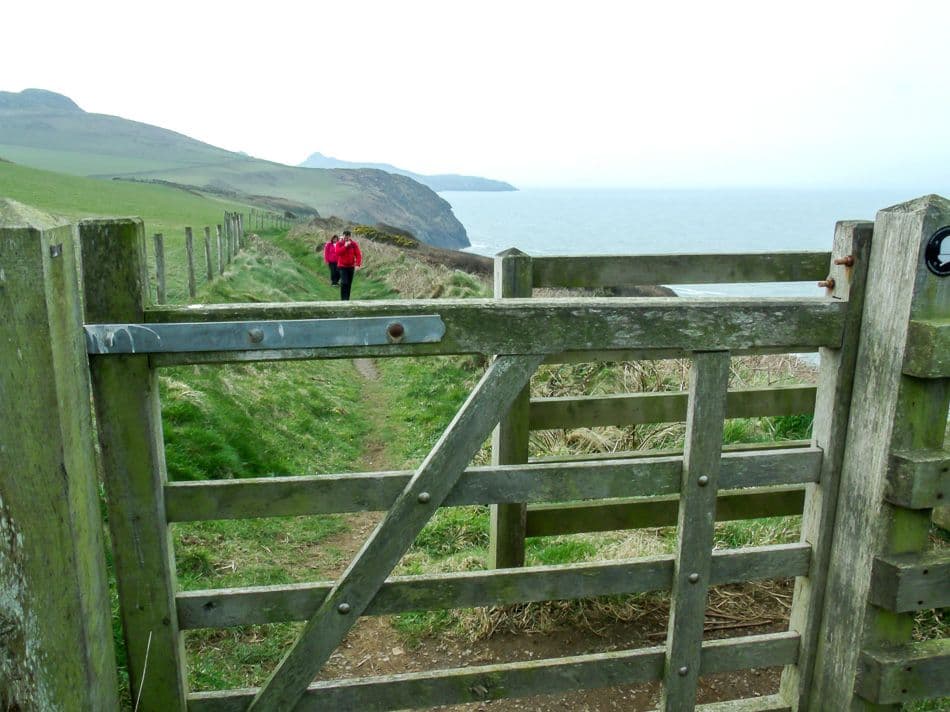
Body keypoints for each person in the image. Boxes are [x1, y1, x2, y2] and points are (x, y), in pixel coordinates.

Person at [335, 230, 362, 301]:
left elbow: (358, 254)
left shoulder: (354, 244)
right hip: (342, 266)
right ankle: (343, 299)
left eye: (348, 236)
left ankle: (347, 299)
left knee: (349, 284)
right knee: (344, 282)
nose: (346, 237)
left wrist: (358, 264)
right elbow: (338, 253)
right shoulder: (339, 243)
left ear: (350, 236)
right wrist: (345, 246)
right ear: (343, 236)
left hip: (351, 267)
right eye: (345, 236)